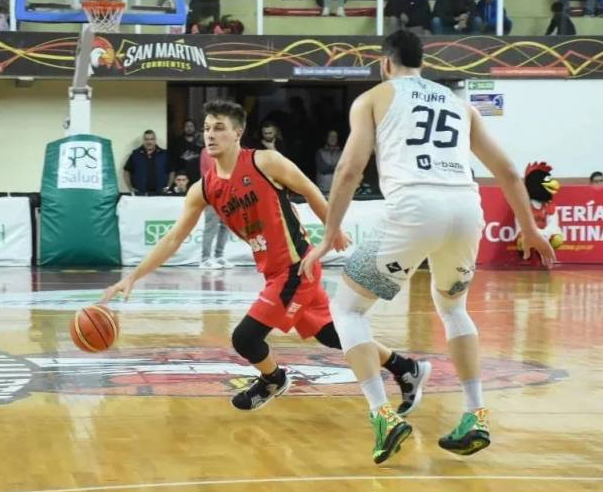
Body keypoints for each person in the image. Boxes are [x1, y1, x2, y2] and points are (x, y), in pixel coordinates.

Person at [101, 100, 427, 464]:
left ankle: (274, 379)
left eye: (219, 127)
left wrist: (331, 231)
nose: (210, 134)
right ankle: (405, 368)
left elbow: (309, 189)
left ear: (237, 133)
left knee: (245, 338)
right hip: (274, 272)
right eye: (207, 128)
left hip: (297, 268)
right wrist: (133, 276)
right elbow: (173, 238)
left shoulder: (265, 162)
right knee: (332, 335)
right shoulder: (203, 189)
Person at [299, 30, 554, 459]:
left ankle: (382, 414)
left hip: (415, 208)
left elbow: (348, 170)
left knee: (347, 310)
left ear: (385, 64)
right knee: (453, 308)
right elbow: (509, 172)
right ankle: (476, 414)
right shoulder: (459, 103)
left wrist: (328, 235)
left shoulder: (374, 98)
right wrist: (530, 229)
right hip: (466, 209)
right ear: (423, 63)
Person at [199, 146, 230, 269]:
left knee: (226, 225)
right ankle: (205, 259)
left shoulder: (228, 150)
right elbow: (215, 170)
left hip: (227, 192)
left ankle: (219, 256)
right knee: (211, 226)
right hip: (212, 192)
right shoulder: (207, 151)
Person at [123, 130, 172, 194]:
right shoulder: (135, 155)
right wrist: (130, 188)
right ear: (143, 140)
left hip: (160, 193)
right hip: (140, 194)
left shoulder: (164, 154)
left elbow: (172, 172)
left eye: (151, 139)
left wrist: (168, 187)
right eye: (146, 139)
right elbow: (126, 172)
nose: (149, 142)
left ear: (155, 140)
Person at [315, 129, 342, 193]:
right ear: (326, 138)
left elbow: (344, 169)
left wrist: (332, 167)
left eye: (335, 136)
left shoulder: (342, 153)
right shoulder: (320, 152)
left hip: (338, 189)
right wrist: (337, 167)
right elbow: (323, 169)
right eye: (330, 136)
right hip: (323, 189)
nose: (333, 138)